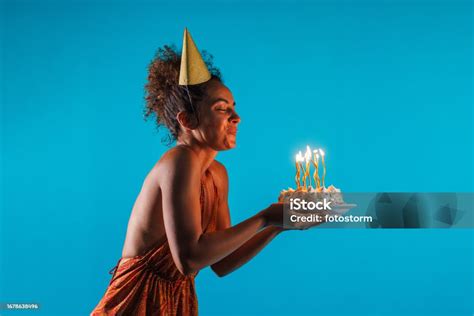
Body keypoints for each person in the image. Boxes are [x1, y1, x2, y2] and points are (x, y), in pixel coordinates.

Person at [91, 29, 317, 316]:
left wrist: (280, 222)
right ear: (187, 120)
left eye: (233, 108)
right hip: (137, 301)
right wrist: (265, 216)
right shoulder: (178, 162)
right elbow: (189, 258)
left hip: (177, 300)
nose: (236, 117)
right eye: (222, 109)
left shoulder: (217, 174)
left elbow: (223, 262)